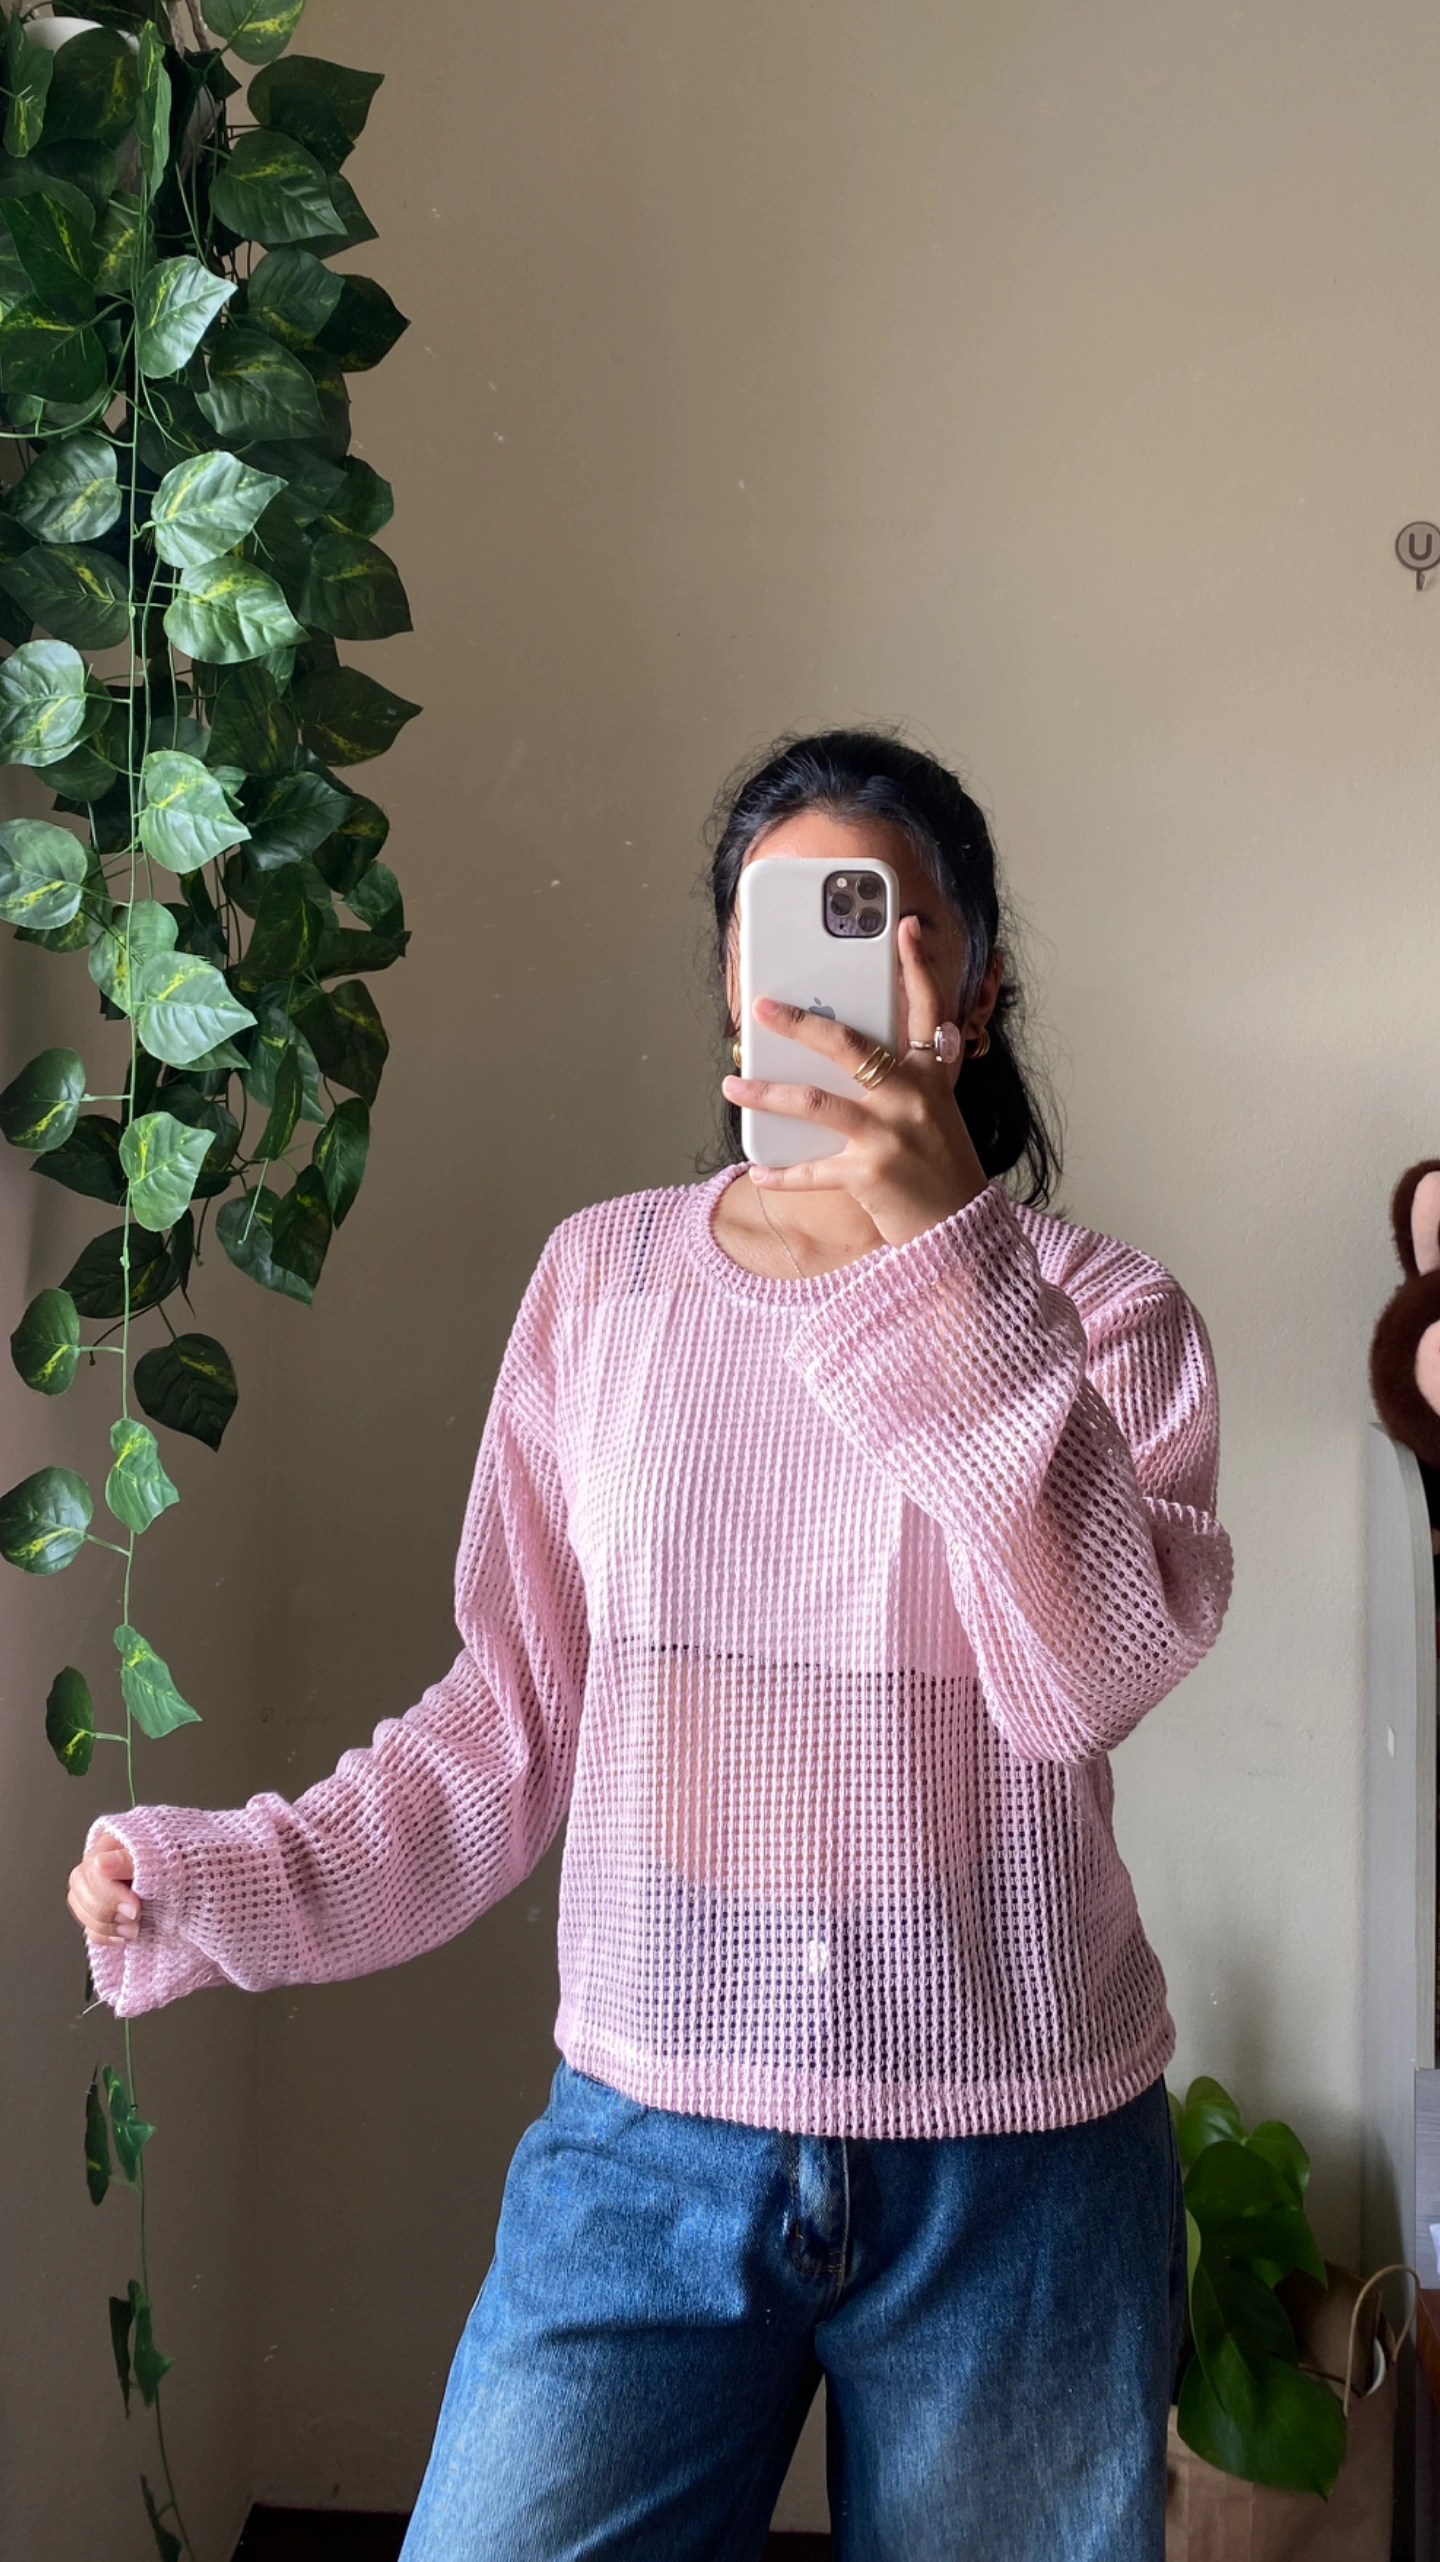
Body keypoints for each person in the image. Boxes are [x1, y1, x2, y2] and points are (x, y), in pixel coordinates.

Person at [69, 730, 1234, 2561]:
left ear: (976, 990)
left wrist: (949, 1269)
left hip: (1022, 2156)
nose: (830, 984)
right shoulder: (605, 1287)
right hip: (651, 2134)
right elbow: (507, 1725)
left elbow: (1081, 1680)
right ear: (727, 976)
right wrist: (228, 1878)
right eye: (782, 933)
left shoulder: (1104, 1317)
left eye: (889, 929)